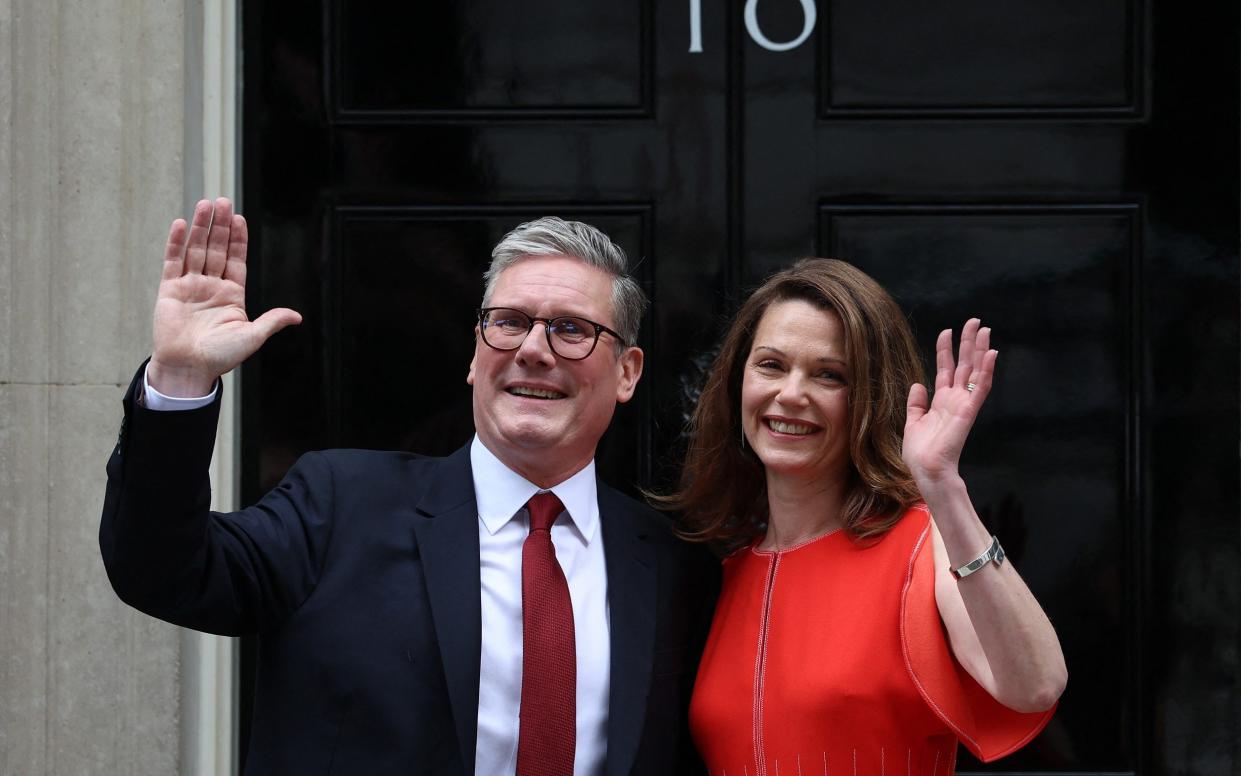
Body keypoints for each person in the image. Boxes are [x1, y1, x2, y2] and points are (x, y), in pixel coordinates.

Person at [100, 198, 717, 775]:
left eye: (572, 330)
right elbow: (158, 569)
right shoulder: (340, 503)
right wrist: (179, 378)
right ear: (476, 355)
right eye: (509, 322)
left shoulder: (671, 563)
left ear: (628, 372)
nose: (533, 349)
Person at [660, 259, 1067, 775]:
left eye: (829, 375)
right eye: (771, 365)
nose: (790, 394)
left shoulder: (920, 544)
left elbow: (1035, 686)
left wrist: (941, 485)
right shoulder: (723, 570)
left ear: (869, 399)